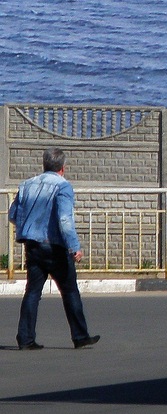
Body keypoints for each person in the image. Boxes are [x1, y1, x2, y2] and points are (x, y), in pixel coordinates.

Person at [8, 148, 100, 350]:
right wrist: (74, 246)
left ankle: (25, 338)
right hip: (55, 247)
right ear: (62, 168)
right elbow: (64, 219)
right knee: (69, 291)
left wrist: (30, 229)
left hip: (32, 246)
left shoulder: (27, 185)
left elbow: (13, 215)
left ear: (44, 164)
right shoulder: (63, 187)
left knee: (32, 292)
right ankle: (80, 336)